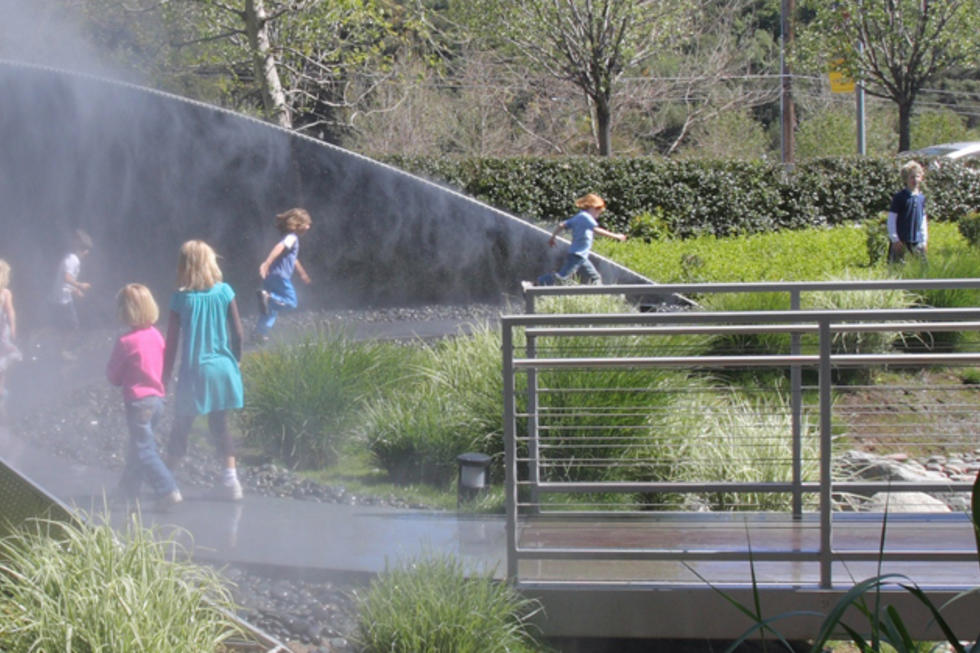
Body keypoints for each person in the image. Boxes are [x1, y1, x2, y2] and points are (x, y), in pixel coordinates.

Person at [163, 240, 245, 501]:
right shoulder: (225, 292)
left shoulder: (180, 299)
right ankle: (231, 482)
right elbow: (239, 334)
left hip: (196, 370)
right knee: (220, 425)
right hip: (223, 367)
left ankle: (166, 481)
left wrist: (164, 377)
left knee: (182, 425)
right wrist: (237, 362)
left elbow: (172, 344)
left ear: (184, 266)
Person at [106, 283, 181, 510]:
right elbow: (164, 364)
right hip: (157, 399)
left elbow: (113, 375)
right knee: (139, 446)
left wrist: (120, 377)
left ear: (124, 311)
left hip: (138, 402)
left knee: (143, 448)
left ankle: (167, 489)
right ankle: (127, 490)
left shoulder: (126, 342)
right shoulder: (156, 336)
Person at [533, 193, 626, 286]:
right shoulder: (586, 217)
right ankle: (540, 281)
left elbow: (561, 225)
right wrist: (616, 236)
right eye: (598, 211)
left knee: (595, 277)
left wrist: (553, 238)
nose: (598, 215)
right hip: (577, 255)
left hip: (581, 255)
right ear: (592, 207)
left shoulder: (578, 216)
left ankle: (599, 293)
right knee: (562, 278)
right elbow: (596, 230)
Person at [255, 208, 312, 342]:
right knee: (291, 302)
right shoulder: (292, 237)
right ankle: (267, 297)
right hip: (280, 277)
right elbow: (279, 248)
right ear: (297, 225)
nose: (308, 227)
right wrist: (267, 262)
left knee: (271, 310)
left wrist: (302, 273)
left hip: (271, 277)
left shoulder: (290, 239)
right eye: (306, 224)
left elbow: (293, 259)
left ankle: (259, 333)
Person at [49, 228, 93, 360]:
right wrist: (80, 285)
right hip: (61, 299)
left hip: (65, 297)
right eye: (86, 251)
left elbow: (66, 282)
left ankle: (60, 348)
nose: (87, 253)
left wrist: (76, 291)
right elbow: (67, 278)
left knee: (66, 324)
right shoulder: (72, 260)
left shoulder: (72, 259)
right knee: (73, 325)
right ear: (81, 250)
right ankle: (61, 351)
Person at [887, 160, 928, 264]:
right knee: (897, 268)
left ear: (921, 178)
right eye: (912, 177)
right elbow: (892, 219)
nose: (915, 180)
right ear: (906, 179)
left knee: (922, 268)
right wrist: (895, 239)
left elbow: (922, 220)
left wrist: (924, 240)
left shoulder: (921, 198)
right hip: (901, 241)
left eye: (917, 176)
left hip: (916, 241)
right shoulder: (900, 197)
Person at [0, 259, 23, 423]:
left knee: (3, 362)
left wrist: (13, 326)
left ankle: (1, 389)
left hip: (1, 332)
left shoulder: (5, 293)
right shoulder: (5, 293)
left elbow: (10, 311)